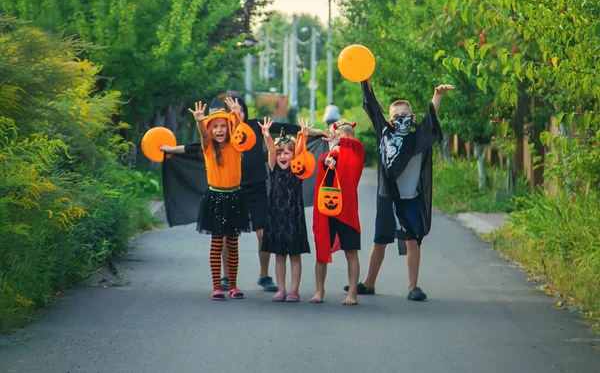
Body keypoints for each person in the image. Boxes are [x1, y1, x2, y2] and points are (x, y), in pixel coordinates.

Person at [161, 95, 323, 292]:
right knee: (228, 235)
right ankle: (227, 277)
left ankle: (264, 275)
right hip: (233, 190)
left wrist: (314, 132)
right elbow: (198, 144)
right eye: (232, 110)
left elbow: (285, 128)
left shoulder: (254, 126)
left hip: (256, 187)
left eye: (239, 109)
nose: (237, 113)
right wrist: (170, 149)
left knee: (263, 232)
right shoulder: (224, 139)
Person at [345, 80, 453, 301]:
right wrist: (364, 79)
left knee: (413, 241)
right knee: (380, 241)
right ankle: (368, 283)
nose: (400, 119)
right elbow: (372, 106)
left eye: (405, 115)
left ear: (412, 118)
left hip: (410, 199)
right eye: (396, 116)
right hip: (388, 199)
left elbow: (430, 121)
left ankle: (413, 286)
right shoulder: (385, 133)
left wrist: (437, 95)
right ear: (390, 120)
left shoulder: (417, 139)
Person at [188, 97, 253, 301]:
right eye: (214, 126)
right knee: (217, 244)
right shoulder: (208, 147)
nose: (218, 130)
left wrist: (236, 114)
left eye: (222, 126)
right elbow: (203, 135)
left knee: (233, 243)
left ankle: (232, 284)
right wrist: (200, 121)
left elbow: (243, 135)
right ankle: (217, 286)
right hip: (216, 197)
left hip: (234, 196)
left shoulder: (235, 145)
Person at [310, 120, 364, 305]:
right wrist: (329, 158)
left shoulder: (356, 155)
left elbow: (355, 146)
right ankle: (319, 290)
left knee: (351, 252)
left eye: (347, 139)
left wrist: (340, 142)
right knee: (321, 252)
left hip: (347, 213)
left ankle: (352, 293)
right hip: (327, 212)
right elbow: (324, 171)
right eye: (340, 137)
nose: (343, 141)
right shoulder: (326, 156)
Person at [258, 117, 312, 302]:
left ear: (294, 156)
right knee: (279, 255)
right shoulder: (274, 168)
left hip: (294, 217)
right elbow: (271, 149)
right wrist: (266, 135)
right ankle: (281, 289)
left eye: (287, 153)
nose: (282, 156)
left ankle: (294, 290)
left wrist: (303, 136)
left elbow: (300, 151)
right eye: (280, 153)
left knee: (295, 255)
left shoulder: (299, 170)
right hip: (277, 217)